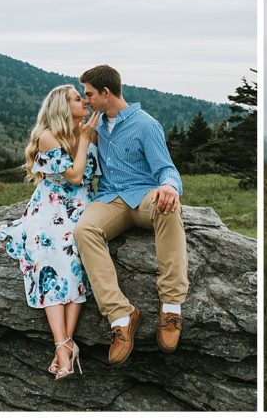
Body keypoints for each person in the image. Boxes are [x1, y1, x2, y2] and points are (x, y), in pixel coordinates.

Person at [72, 64, 188, 366]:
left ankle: (172, 307)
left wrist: (168, 187)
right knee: (84, 230)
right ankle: (121, 316)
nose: (86, 101)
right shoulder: (96, 125)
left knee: (169, 208)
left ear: (106, 93)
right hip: (110, 198)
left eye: (89, 94)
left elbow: (166, 168)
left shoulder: (146, 125)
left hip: (143, 196)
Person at [0, 84, 102, 380]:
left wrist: (86, 135)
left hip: (81, 206)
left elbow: (92, 178)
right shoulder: (48, 136)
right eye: (78, 99)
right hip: (50, 206)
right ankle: (63, 345)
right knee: (50, 258)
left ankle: (64, 347)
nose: (84, 102)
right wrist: (84, 138)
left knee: (76, 261)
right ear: (62, 107)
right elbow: (76, 175)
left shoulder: (86, 130)